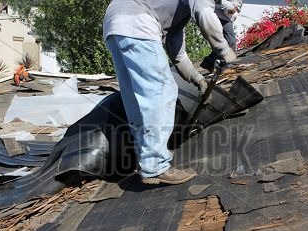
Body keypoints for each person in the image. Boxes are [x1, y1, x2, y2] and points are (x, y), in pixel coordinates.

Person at [103, 0, 237, 185]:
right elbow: (205, 14)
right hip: (138, 20)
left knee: (135, 98)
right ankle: (155, 164)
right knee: (162, 90)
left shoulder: (174, 18)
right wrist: (223, 49)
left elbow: (178, 56)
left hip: (115, 23)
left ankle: (146, 160)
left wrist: (198, 80)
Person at [201, 0, 242, 73]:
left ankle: (209, 62)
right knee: (231, 41)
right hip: (219, 16)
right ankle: (226, 65)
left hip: (225, 17)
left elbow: (234, 9)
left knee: (225, 42)